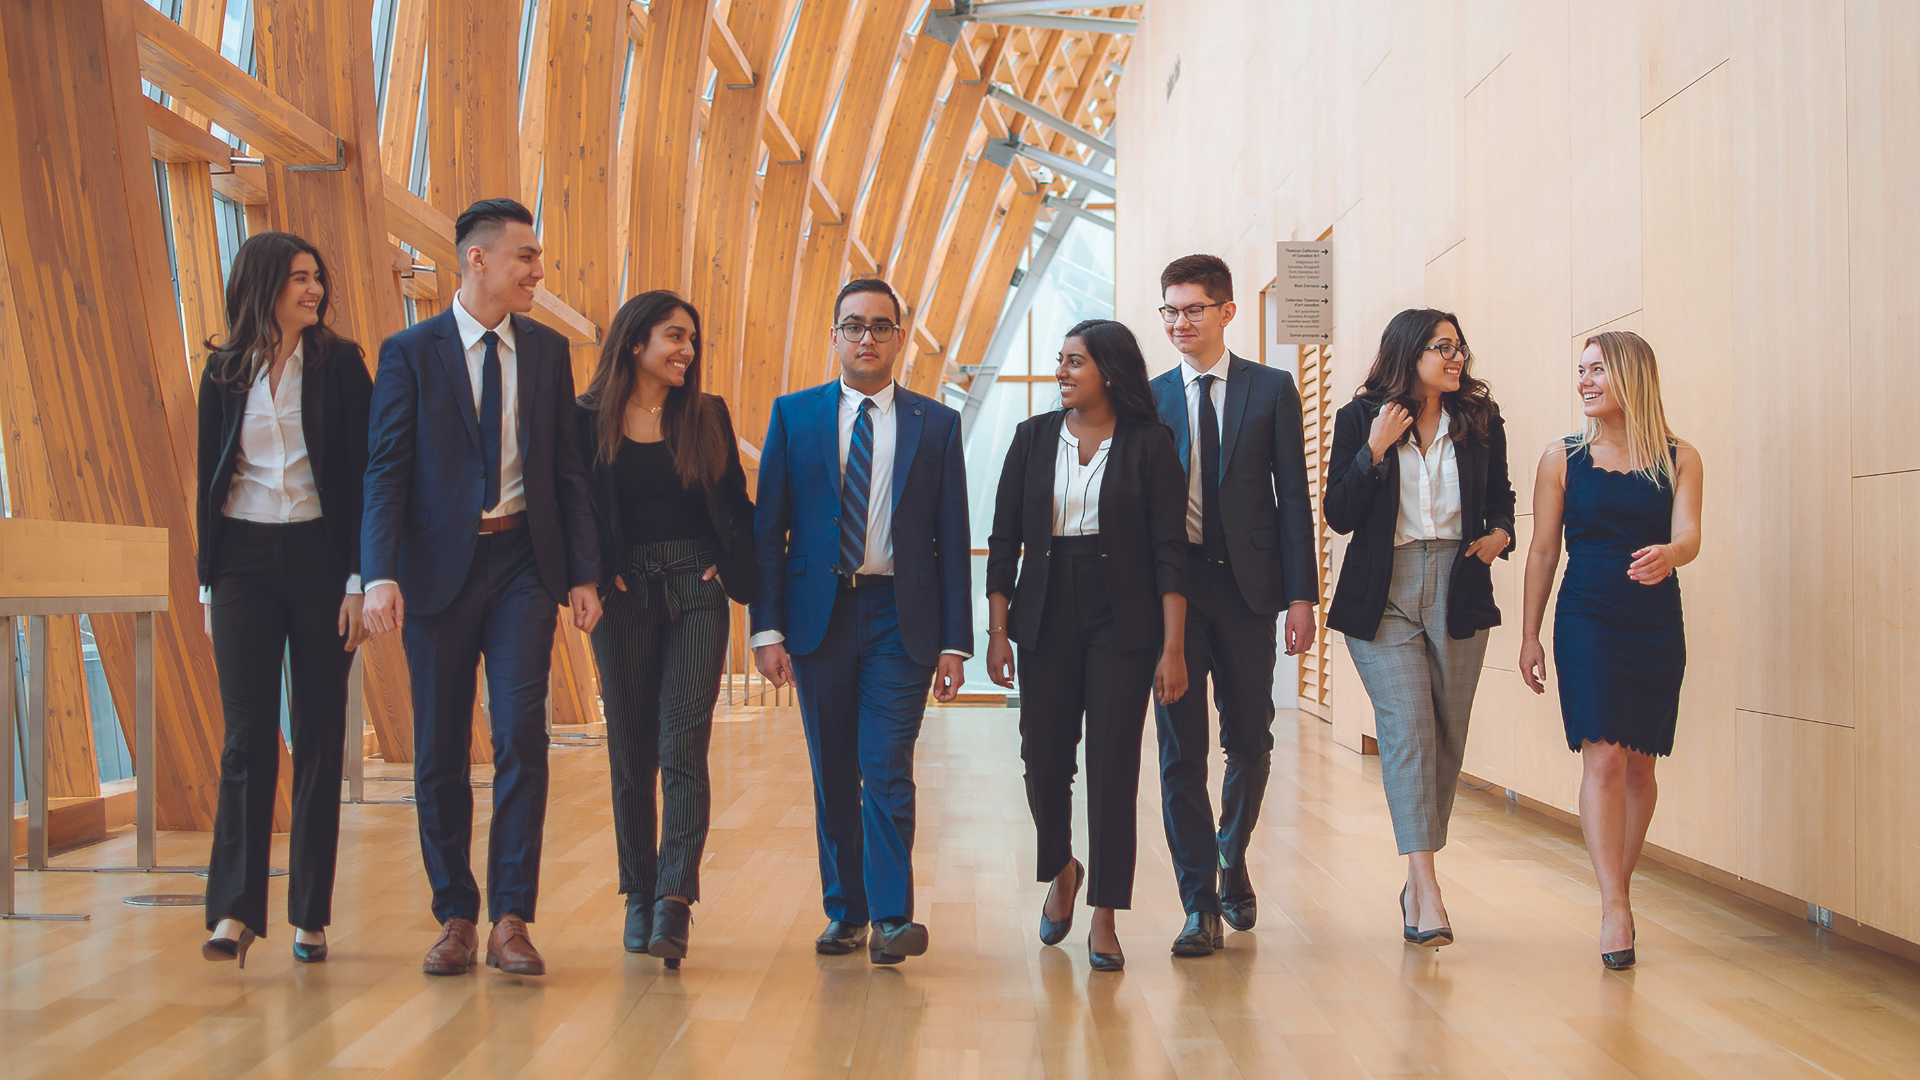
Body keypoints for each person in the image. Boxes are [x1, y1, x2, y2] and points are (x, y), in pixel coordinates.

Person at [361, 198, 602, 978]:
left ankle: (510, 917)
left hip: (523, 568)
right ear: (478, 260)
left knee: (522, 737)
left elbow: (567, 472)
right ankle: (454, 914)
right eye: (526, 257)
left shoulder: (547, 352)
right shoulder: (409, 352)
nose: (538, 270)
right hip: (435, 571)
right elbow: (385, 468)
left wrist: (582, 575)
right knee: (437, 748)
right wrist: (379, 571)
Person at [750, 278, 971, 966]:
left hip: (898, 619)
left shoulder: (936, 424)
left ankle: (892, 919)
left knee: (886, 766)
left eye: (880, 326)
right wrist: (767, 628)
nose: (867, 338)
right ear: (836, 335)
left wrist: (954, 642)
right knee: (834, 772)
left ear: (899, 337)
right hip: (818, 617)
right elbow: (769, 531)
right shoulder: (793, 417)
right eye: (854, 326)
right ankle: (846, 912)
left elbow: (951, 536)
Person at [986, 319, 1189, 972]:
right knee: (1042, 759)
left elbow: (1169, 552)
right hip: (1044, 615)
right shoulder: (1031, 438)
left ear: (1110, 369)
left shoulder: (1151, 444)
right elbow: (1003, 542)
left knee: (1113, 768)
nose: (1063, 372)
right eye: (1060, 360)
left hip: (1123, 621)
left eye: (1075, 361)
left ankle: (1104, 912)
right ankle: (1062, 868)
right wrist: (997, 630)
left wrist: (1173, 646)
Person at [196, 231, 371, 968]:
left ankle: (309, 915)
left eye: (317, 278)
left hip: (319, 562)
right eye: (299, 278)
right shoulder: (224, 370)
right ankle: (234, 912)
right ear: (263, 284)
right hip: (241, 561)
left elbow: (369, 477)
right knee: (245, 739)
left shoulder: (340, 366)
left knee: (321, 735)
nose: (314, 290)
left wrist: (361, 580)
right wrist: (209, 580)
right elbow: (208, 474)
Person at [574, 291, 756, 967]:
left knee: (683, 746)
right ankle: (638, 894)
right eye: (674, 337)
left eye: (693, 340)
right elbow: (578, 510)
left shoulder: (705, 415)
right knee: (630, 751)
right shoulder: (586, 418)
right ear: (634, 343)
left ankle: (675, 899)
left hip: (696, 591)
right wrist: (597, 570)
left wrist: (729, 566)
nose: (686, 351)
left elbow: (736, 503)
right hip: (623, 595)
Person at [1323, 308, 1514, 948]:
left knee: (1447, 734)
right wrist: (1375, 448)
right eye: (1442, 348)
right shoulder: (1359, 419)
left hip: (1459, 583)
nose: (1457, 359)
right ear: (1409, 353)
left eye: (1460, 348)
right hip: (1384, 595)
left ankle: (1418, 876)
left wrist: (1499, 537)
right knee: (1408, 730)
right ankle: (1424, 883)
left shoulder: (1480, 421)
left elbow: (1503, 500)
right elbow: (1340, 513)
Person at [1147, 255, 1319, 956]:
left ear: (1227, 312)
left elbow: (1292, 500)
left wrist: (1303, 595)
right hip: (1173, 599)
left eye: (1192, 309)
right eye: (1169, 311)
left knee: (1250, 740)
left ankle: (1230, 850)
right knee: (1180, 752)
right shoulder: (1149, 398)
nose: (1180, 323)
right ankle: (1198, 903)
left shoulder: (1272, 390)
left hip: (1249, 591)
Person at [1519, 330, 1701, 970]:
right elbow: (1543, 551)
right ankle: (1615, 908)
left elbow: (1689, 536)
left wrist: (1671, 554)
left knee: (1643, 768)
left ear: (1632, 377)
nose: (1585, 381)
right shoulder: (1561, 457)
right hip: (1586, 613)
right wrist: (1528, 635)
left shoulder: (1679, 457)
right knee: (1604, 762)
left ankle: (1617, 890)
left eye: (1597, 370)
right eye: (1581, 371)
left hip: (1654, 618)